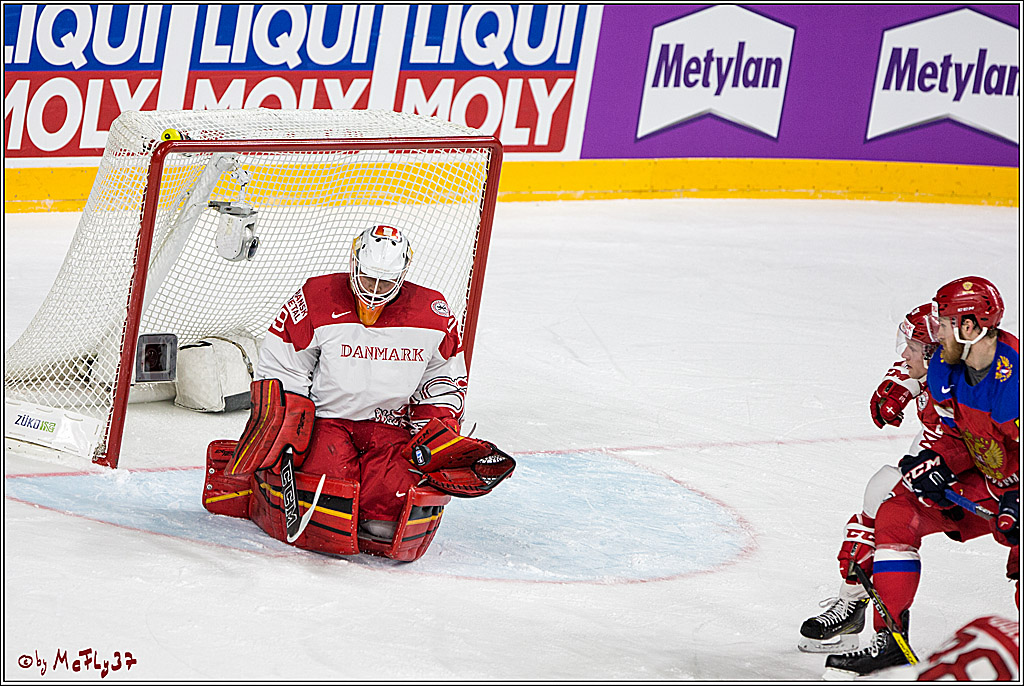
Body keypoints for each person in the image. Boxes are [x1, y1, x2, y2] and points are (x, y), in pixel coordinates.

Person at [203, 224, 470, 561]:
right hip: (327, 423)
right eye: (368, 279)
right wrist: (286, 422)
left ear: (402, 275)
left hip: (391, 427)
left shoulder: (433, 314)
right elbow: (285, 361)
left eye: (385, 282)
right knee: (329, 498)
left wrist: (434, 430)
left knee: (392, 506)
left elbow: (443, 378)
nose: (374, 290)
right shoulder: (317, 297)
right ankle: (261, 485)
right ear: (354, 263)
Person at [826, 276, 1019, 676]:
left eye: (944, 325)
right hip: (990, 484)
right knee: (897, 512)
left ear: (969, 328)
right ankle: (891, 641)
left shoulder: (1014, 377)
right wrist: (938, 461)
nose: (938, 334)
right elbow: (954, 435)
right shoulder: (945, 369)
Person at [798, 304, 941, 653]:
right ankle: (853, 603)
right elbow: (917, 369)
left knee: (889, 500)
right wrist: (903, 381)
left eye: (912, 346)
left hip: (978, 469)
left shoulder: (969, 385)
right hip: (938, 450)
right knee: (881, 493)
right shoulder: (938, 365)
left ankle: (860, 610)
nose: (904, 354)